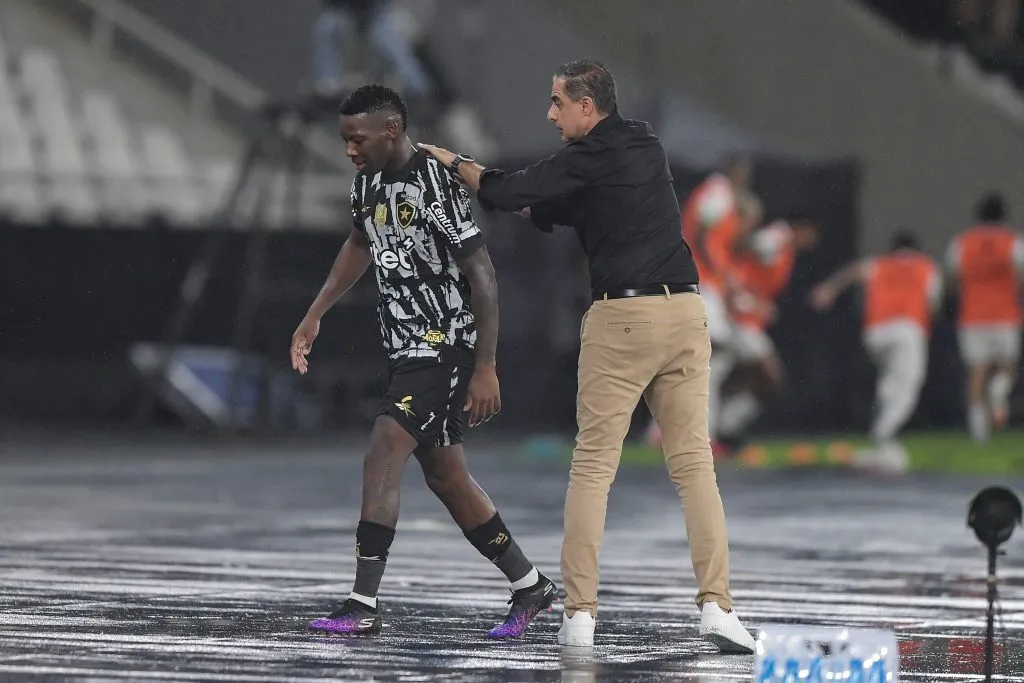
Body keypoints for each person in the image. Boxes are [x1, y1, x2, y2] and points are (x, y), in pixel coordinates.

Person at [418, 59, 755, 653]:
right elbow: (556, 207)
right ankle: (719, 608)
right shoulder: (645, 144)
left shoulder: (584, 156)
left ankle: (579, 614)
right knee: (695, 468)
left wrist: (450, 161)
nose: (549, 114)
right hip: (685, 314)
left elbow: (509, 191)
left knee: (594, 468)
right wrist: (526, 200)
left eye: (556, 103)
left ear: (586, 106)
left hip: (624, 320)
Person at [291, 84, 556, 639]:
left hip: (445, 343)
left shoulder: (436, 182)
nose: (348, 150)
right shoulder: (367, 181)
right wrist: (315, 313)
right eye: (344, 140)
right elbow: (360, 243)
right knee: (446, 476)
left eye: (356, 138)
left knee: (385, 444)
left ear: (391, 129)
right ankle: (530, 585)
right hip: (403, 344)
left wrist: (486, 366)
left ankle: (363, 603)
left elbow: (483, 276)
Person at [811, 231, 941, 472]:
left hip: (876, 333)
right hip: (907, 330)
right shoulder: (926, 267)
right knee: (907, 383)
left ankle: (882, 435)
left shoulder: (879, 264)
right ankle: (883, 437)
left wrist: (829, 289)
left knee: (891, 381)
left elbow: (853, 271)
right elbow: (933, 303)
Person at [717, 215, 820, 453]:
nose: (810, 243)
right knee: (770, 375)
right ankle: (723, 428)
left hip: (748, 318)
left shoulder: (786, 249)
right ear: (801, 227)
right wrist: (746, 298)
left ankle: (725, 428)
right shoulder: (777, 237)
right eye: (810, 235)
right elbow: (743, 249)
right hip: (740, 318)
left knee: (741, 375)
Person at [679, 156, 756, 443]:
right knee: (715, 350)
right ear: (736, 173)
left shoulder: (717, 193)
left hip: (703, 282)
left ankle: (700, 434)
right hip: (701, 282)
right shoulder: (719, 192)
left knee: (712, 360)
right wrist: (714, 268)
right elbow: (700, 233)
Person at [946, 193, 1023, 442]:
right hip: (1005, 314)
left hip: (972, 316)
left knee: (977, 371)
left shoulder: (961, 243)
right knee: (1007, 368)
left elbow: (954, 276)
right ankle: (998, 392)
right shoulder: (1013, 242)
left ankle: (979, 434)